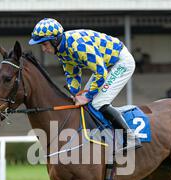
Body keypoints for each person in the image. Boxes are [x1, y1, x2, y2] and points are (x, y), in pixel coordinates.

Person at [28, 18, 141, 151]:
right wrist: (75, 94)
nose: (43, 49)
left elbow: (101, 72)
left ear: (55, 40)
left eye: (45, 44)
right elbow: (72, 74)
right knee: (83, 102)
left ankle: (130, 137)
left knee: (98, 102)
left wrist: (87, 96)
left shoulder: (77, 46)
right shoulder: (62, 51)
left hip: (120, 63)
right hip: (106, 65)